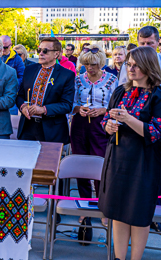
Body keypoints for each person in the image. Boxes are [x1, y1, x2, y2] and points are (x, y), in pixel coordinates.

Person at [99, 46, 161, 260]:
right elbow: (105, 120)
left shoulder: (158, 95)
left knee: (138, 214)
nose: (131, 69)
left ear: (149, 66)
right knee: (118, 212)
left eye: (136, 65)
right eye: (129, 64)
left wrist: (127, 119)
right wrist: (108, 126)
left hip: (143, 162)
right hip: (117, 157)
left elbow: (154, 132)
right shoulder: (120, 91)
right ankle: (119, 258)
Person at [70, 44, 118, 226]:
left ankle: (102, 206)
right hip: (80, 125)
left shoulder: (111, 80)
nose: (90, 68)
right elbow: (71, 103)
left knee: (101, 165)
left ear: (101, 64)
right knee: (81, 164)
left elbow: (117, 104)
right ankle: (84, 207)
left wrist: (102, 110)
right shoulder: (77, 80)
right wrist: (78, 108)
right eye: (86, 64)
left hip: (101, 125)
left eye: (94, 65)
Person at [16, 37, 75, 146]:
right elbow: (20, 96)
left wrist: (43, 109)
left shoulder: (66, 75)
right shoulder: (29, 69)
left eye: (45, 51)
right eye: (39, 50)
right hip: (27, 127)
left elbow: (67, 105)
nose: (41, 53)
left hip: (52, 130)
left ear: (56, 54)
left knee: (48, 162)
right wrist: (23, 107)